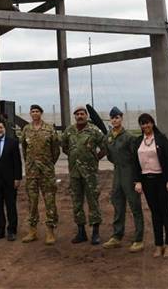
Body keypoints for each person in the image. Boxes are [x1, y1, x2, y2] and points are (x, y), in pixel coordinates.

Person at [132, 112, 168, 258]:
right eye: (142, 123)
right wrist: (137, 181)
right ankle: (159, 245)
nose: (145, 125)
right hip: (147, 181)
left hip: (163, 181)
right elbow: (135, 163)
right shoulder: (139, 141)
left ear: (152, 123)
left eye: (148, 122)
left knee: (166, 213)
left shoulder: (161, 139)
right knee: (155, 214)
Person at [62, 104, 106, 244]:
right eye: (77, 114)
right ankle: (81, 232)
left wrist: (94, 158)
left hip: (90, 173)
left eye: (82, 114)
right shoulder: (69, 131)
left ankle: (95, 232)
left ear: (86, 115)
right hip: (75, 173)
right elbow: (64, 147)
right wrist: (75, 157)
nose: (80, 116)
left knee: (93, 201)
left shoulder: (94, 130)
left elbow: (104, 147)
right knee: (77, 202)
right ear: (74, 116)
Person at [17, 103, 61, 245]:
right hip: (31, 173)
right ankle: (32, 231)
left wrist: (48, 164)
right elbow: (24, 149)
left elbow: (56, 150)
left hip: (47, 172)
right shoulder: (26, 129)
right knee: (32, 202)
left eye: (37, 111)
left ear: (41, 113)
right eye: (32, 111)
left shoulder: (49, 129)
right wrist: (31, 164)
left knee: (49, 202)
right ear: (30, 114)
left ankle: (50, 231)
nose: (35, 113)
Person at [102, 106, 144, 252]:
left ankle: (139, 239)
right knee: (118, 205)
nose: (114, 120)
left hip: (130, 173)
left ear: (121, 118)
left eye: (117, 117)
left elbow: (137, 159)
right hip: (117, 173)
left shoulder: (129, 137)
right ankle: (117, 236)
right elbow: (109, 156)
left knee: (135, 206)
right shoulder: (108, 137)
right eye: (112, 118)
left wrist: (138, 179)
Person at [0, 120, 21, 241]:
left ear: (4, 129)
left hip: (10, 180)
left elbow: (17, 162)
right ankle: (0, 230)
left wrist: (17, 178)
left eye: (1, 127)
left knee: (11, 205)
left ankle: (12, 230)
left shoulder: (13, 143)